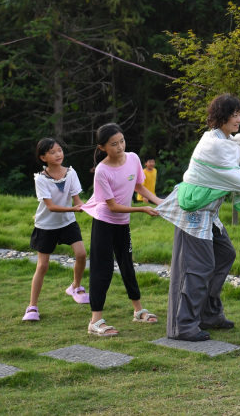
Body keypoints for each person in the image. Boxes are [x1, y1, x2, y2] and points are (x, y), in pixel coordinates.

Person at [156, 94, 240, 342]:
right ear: (221, 116)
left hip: (210, 213)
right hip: (194, 212)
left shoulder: (229, 143)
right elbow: (237, 180)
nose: (239, 119)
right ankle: (183, 325)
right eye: (234, 114)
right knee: (199, 267)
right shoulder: (213, 145)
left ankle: (209, 313)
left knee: (225, 254)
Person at [82, 123, 163, 337]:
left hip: (122, 224)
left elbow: (138, 186)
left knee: (127, 265)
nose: (120, 147)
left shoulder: (134, 158)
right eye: (114, 144)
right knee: (103, 269)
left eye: (122, 141)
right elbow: (112, 206)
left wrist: (157, 201)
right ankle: (95, 321)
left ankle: (138, 310)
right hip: (104, 223)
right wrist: (143, 209)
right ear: (102, 148)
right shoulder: (102, 171)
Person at [22, 138, 89, 322]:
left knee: (82, 254)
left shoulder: (71, 173)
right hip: (46, 226)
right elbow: (50, 206)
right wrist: (74, 209)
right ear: (43, 157)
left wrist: (88, 207)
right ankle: (32, 307)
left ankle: (75, 287)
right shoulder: (41, 179)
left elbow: (77, 201)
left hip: (68, 222)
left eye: (59, 150)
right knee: (42, 266)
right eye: (52, 152)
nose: (58, 154)